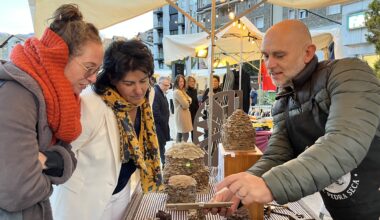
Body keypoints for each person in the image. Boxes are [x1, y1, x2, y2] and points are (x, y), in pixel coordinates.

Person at [209, 19, 380, 219]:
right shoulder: (283, 101)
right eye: (265, 56)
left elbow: (344, 141)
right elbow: (278, 155)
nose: (269, 65)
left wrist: (268, 185)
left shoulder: (349, 73)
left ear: (308, 52)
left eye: (279, 55)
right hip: (340, 209)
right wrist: (244, 184)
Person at [0, 4, 103, 220]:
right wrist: (49, 181)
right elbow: (16, 191)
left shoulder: (58, 99)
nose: (94, 78)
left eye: (97, 71)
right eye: (89, 68)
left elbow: (69, 159)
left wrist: (44, 161)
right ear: (59, 56)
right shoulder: (16, 96)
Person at [51, 40, 162, 220]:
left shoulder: (147, 96)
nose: (139, 90)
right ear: (112, 78)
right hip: (85, 202)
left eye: (144, 80)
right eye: (129, 83)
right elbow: (65, 151)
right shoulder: (91, 104)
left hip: (122, 191)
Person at [152, 76, 171, 166]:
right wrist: (163, 121)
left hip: (162, 124)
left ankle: (164, 163)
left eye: (168, 85)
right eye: (165, 85)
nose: (167, 87)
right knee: (159, 145)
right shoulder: (156, 93)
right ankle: (164, 163)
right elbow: (155, 112)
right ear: (159, 83)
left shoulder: (161, 92)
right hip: (158, 125)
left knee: (161, 145)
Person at [173, 74, 193, 142]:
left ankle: (179, 149)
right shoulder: (177, 92)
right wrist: (187, 102)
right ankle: (181, 149)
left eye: (182, 81)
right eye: (180, 81)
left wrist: (188, 101)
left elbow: (190, 99)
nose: (182, 83)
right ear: (176, 82)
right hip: (181, 115)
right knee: (184, 134)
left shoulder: (182, 91)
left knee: (182, 133)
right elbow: (185, 105)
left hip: (184, 114)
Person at [186, 75, 199, 142]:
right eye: (190, 81)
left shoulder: (195, 90)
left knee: (194, 131)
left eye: (193, 81)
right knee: (185, 133)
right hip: (187, 113)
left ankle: (194, 145)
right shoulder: (185, 91)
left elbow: (196, 102)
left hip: (195, 113)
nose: (192, 82)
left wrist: (198, 112)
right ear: (187, 82)